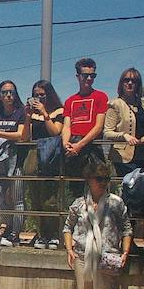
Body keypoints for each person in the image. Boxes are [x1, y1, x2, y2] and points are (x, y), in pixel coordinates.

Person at [63, 161, 132, 289]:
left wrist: (125, 251)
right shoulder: (79, 204)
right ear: (89, 180)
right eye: (99, 179)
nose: (103, 183)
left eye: (106, 179)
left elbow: (127, 228)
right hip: (83, 254)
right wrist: (69, 249)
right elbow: (68, 227)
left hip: (106, 256)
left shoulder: (115, 203)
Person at [0, 81, 29, 247]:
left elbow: (21, 135)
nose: (8, 95)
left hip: (15, 160)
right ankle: (6, 224)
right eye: (4, 92)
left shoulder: (21, 112)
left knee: (17, 197)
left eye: (11, 92)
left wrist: (1, 133)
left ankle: (16, 232)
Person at [24, 80, 65, 250]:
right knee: (36, 199)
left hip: (51, 155)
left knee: (50, 200)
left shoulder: (58, 111)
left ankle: (53, 234)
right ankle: (42, 234)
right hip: (34, 155)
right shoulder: (32, 114)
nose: (39, 98)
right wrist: (27, 118)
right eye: (36, 95)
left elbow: (55, 131)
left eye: (42, 95)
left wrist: (45, 113)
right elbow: (26, 136)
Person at [62, 58, 109, 193]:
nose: (89, 78)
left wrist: (80, 145)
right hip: (74, 151)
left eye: (92, 75)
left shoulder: (101, 96)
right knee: (75, 192)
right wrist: (66, 144)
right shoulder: (70, 100)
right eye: (85, 75)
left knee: (98, 191)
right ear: (78, 77)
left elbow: (99, 126)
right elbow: (66, 126)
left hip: (93, 148)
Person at [104, 67, 144, 176]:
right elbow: (107, 132)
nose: (130, 83)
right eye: (126, 80)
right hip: (125, 158)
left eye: (134, 81)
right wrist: (124, 136)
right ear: (121, 83)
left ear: (138, 84)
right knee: (132, 190)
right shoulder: (115, 104)